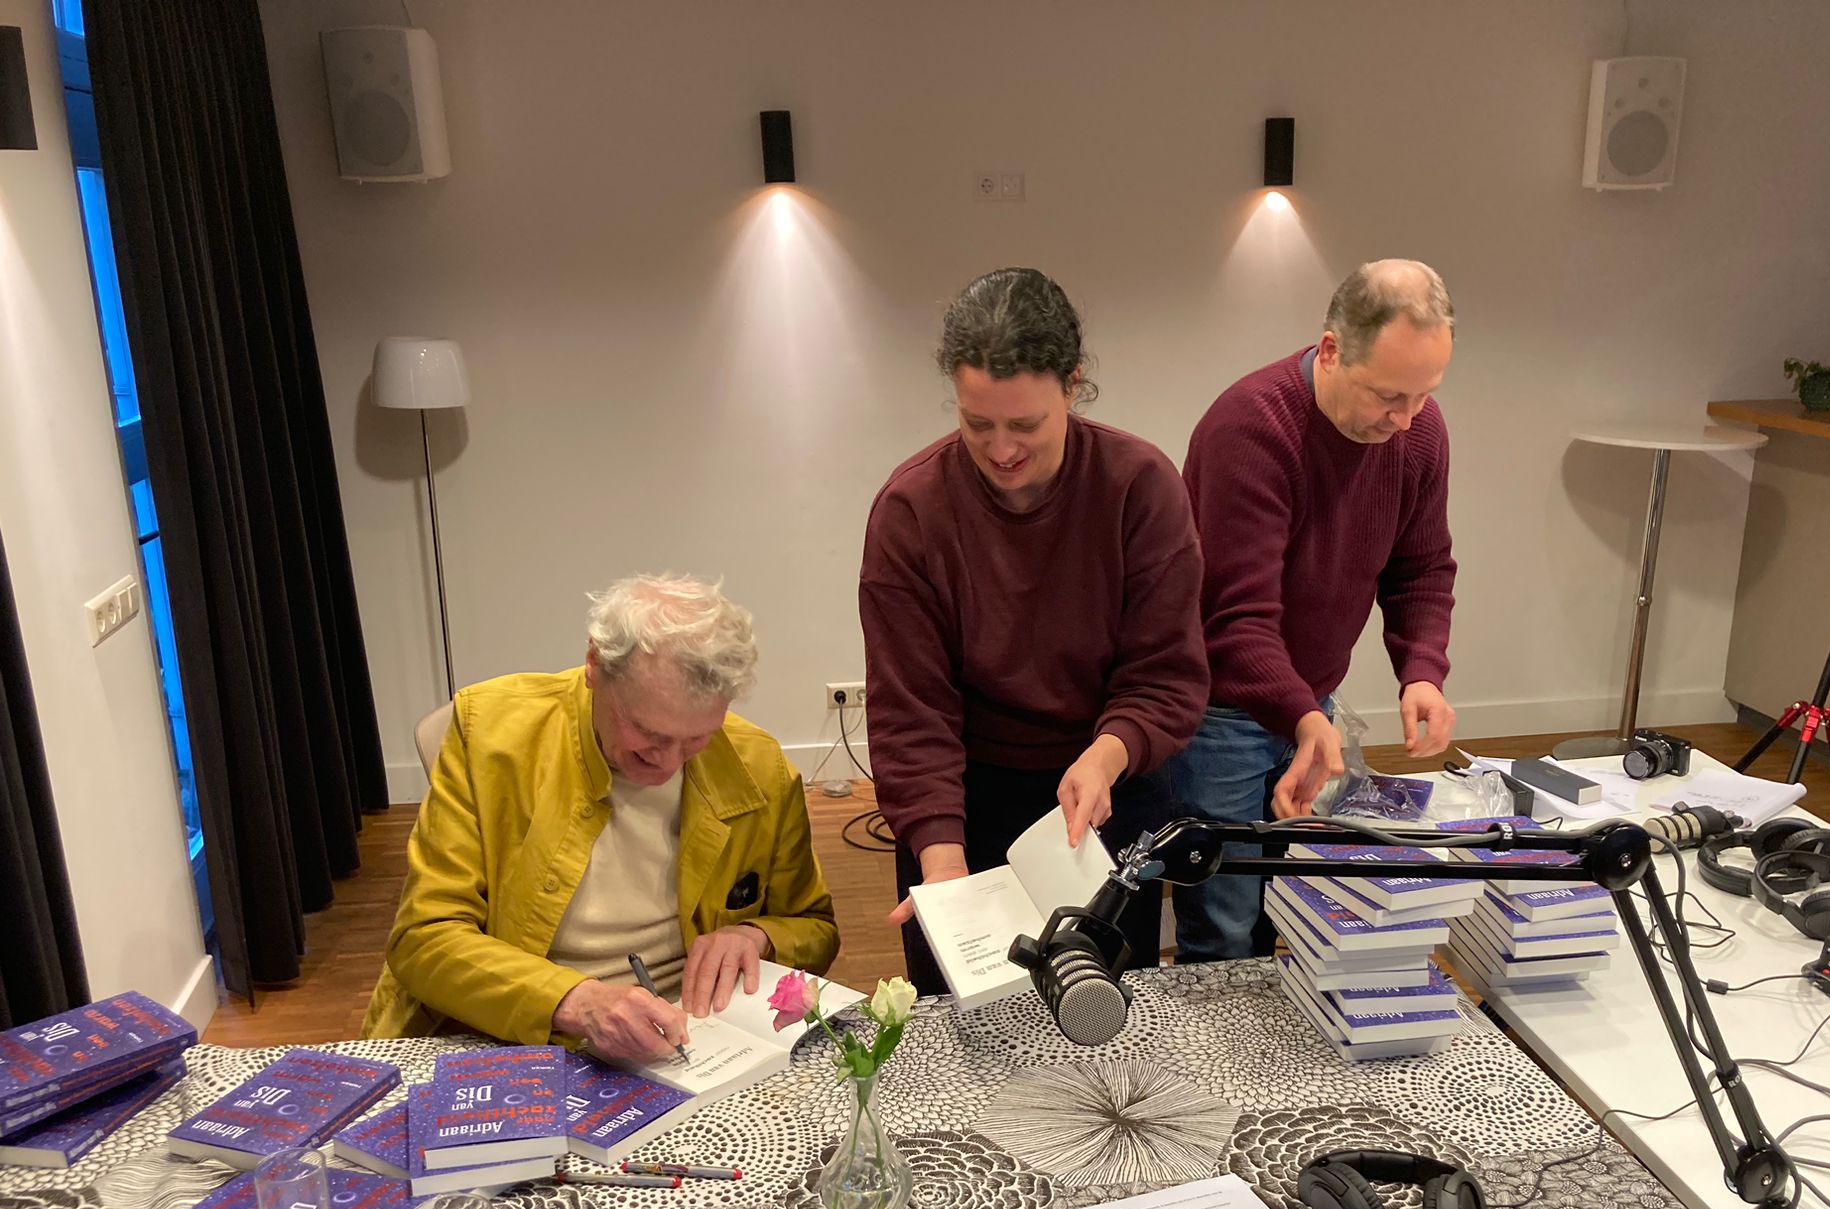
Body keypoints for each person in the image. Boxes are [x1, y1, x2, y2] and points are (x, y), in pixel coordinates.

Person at [861, 266, 1207, 995]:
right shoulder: (912, 511)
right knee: (966, 1014)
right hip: (964, 795)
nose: (1001, 449)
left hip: (1104, 790)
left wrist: (1108, 757)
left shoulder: (1139, 487)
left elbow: (1164, 675)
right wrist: (942, 862)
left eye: (1026, 424)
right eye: (976, 423)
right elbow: (912, 709)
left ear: (1073, 384)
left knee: (1099, 1007)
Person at [361, 573, 838, 1059]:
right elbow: (423, 940)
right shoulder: (491, 736)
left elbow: (815, 928)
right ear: (594, 665)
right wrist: (574, 1000)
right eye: (646, 730)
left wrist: (756, 935)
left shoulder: (759, 766)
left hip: (693, 1037)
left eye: (698, 738)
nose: (669, 762)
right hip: (514, 1030)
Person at [1168, 259, 1459, 963]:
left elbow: (1421, 565)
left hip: (1308, 696)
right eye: (1387, 395)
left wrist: (1422, 670)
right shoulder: (1250, 428)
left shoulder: (1417, 433)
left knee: (1294, 907)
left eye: (1424, 395)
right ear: (1330, 351)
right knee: (1225, 918)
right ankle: (1220, 1068)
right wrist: (1305, 717)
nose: (1406, 419)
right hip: (1220, 711)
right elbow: (1236, 620)